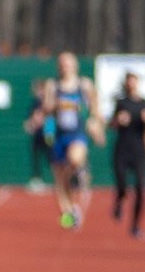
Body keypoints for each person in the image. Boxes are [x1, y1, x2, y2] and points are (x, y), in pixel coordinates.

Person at [42, 52, 103, 229]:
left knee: (74, 159)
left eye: (68, 63)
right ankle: (70, 214)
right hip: (58, 135)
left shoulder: (84, 85)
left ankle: (80, 169)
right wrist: (56, 105)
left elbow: (95, 109)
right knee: (60, 180)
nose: (65, 66)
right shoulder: (52, 85)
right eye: (62, 63)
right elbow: (46, 109)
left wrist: (97, 127)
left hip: (77, 133)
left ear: (75, 65)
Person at [109, 72, 145, 239]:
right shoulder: (121, 103)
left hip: (139, 152)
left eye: (134, 81)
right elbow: (112, 124)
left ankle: (136, 225)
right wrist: (118, 120)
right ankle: (119, 200)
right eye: (128, 81)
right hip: (122, 149)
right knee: (122, 183)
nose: (131, 84)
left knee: (140, 189)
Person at [22, 77, 51, 193]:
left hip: (48, 133)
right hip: (37, 134)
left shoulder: (47, 101)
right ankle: (37, 179)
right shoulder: (35, 101)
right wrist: (29, 123)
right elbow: (30, 116)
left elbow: (49, 114)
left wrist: (42, 118)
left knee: (52, 156)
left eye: (38, 89)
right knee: (36, 156)